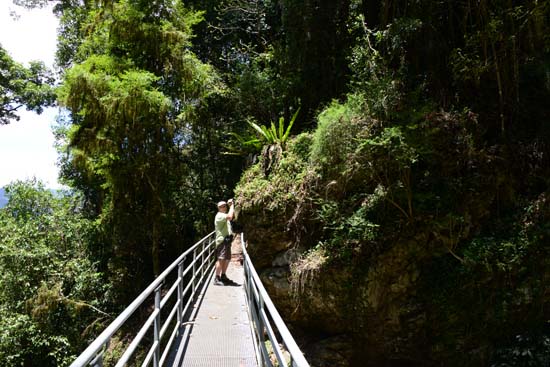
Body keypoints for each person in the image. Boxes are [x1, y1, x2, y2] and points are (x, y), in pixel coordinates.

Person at [213, 199, 238, 286]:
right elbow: (230, 216)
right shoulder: (220, 216)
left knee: (227, 259)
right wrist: (231, 205)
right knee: (221, 259)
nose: (224, 207)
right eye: (221, 206)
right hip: (222, 241)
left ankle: (223, 276)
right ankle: (217, 278)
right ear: (218, 208)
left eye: (225, 205)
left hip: (226, 241)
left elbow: (232, 216)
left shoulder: (224, 215)